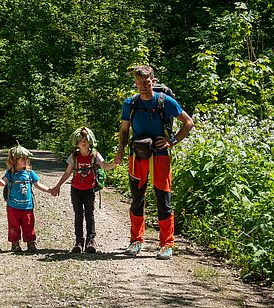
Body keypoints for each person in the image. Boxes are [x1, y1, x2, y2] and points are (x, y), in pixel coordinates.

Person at [114, 65, 193, 259]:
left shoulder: (166, 102)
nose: (143, 86)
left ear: (153, 81)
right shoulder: (129, 104)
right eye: (139, 82)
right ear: (135, 83)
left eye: (146, 82)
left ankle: (166, 245)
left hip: (160, 157)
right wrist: (121, 150)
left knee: (163, 200)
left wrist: (172, 141)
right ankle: (135, 241)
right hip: (137, 156)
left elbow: (188, 122)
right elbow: (124, 130)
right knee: (136, 199)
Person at [51, 127, 117, 253]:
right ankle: (79, 241)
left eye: (86, 139)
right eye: (81, 140)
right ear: (77, 142)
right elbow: (67, 173)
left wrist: (116, 163)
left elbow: (105, 166)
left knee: (89, 215)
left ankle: (91, 241)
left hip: (89, 190)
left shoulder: (95, 155)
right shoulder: (74, 156)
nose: (83, 142)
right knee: (78, 215)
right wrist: (57, 186)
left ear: (90, 141)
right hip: (76, 190)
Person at [0, 144, 52, 253]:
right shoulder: (10, 174)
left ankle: (30, 243)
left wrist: (50, 190)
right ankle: (15, 244)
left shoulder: (30, 173)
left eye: (26, 159)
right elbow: (3, 183)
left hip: (27, 206)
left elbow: (38, 184)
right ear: (14, 161)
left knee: (29, 225)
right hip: (13, 207)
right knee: (14, 226)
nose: (25, 161)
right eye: (22, 159)